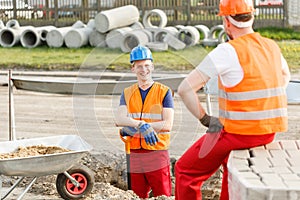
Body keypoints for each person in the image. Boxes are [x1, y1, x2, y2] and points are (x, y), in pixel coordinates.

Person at [175, 0, 291, 199]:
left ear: (226, 22)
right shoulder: (272, 46)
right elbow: (285, 77)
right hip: (268, 132)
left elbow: (185, 89)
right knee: (231, 167)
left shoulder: (227, 51)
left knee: (186, 170)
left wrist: (206, 119)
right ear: (252, 17)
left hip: (238, 133)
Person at [115, 45, 174, 198]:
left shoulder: (164, 92)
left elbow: (167, 124)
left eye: (147, 65)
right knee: (137, 195)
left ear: (152, 66)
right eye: (139, 66)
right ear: (132, 69)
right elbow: (119, 119)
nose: (144, 69)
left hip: (157, 152)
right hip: (134, 152)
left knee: (162, 195)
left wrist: (139, 125)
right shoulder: (127, 93)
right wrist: (142, 125)